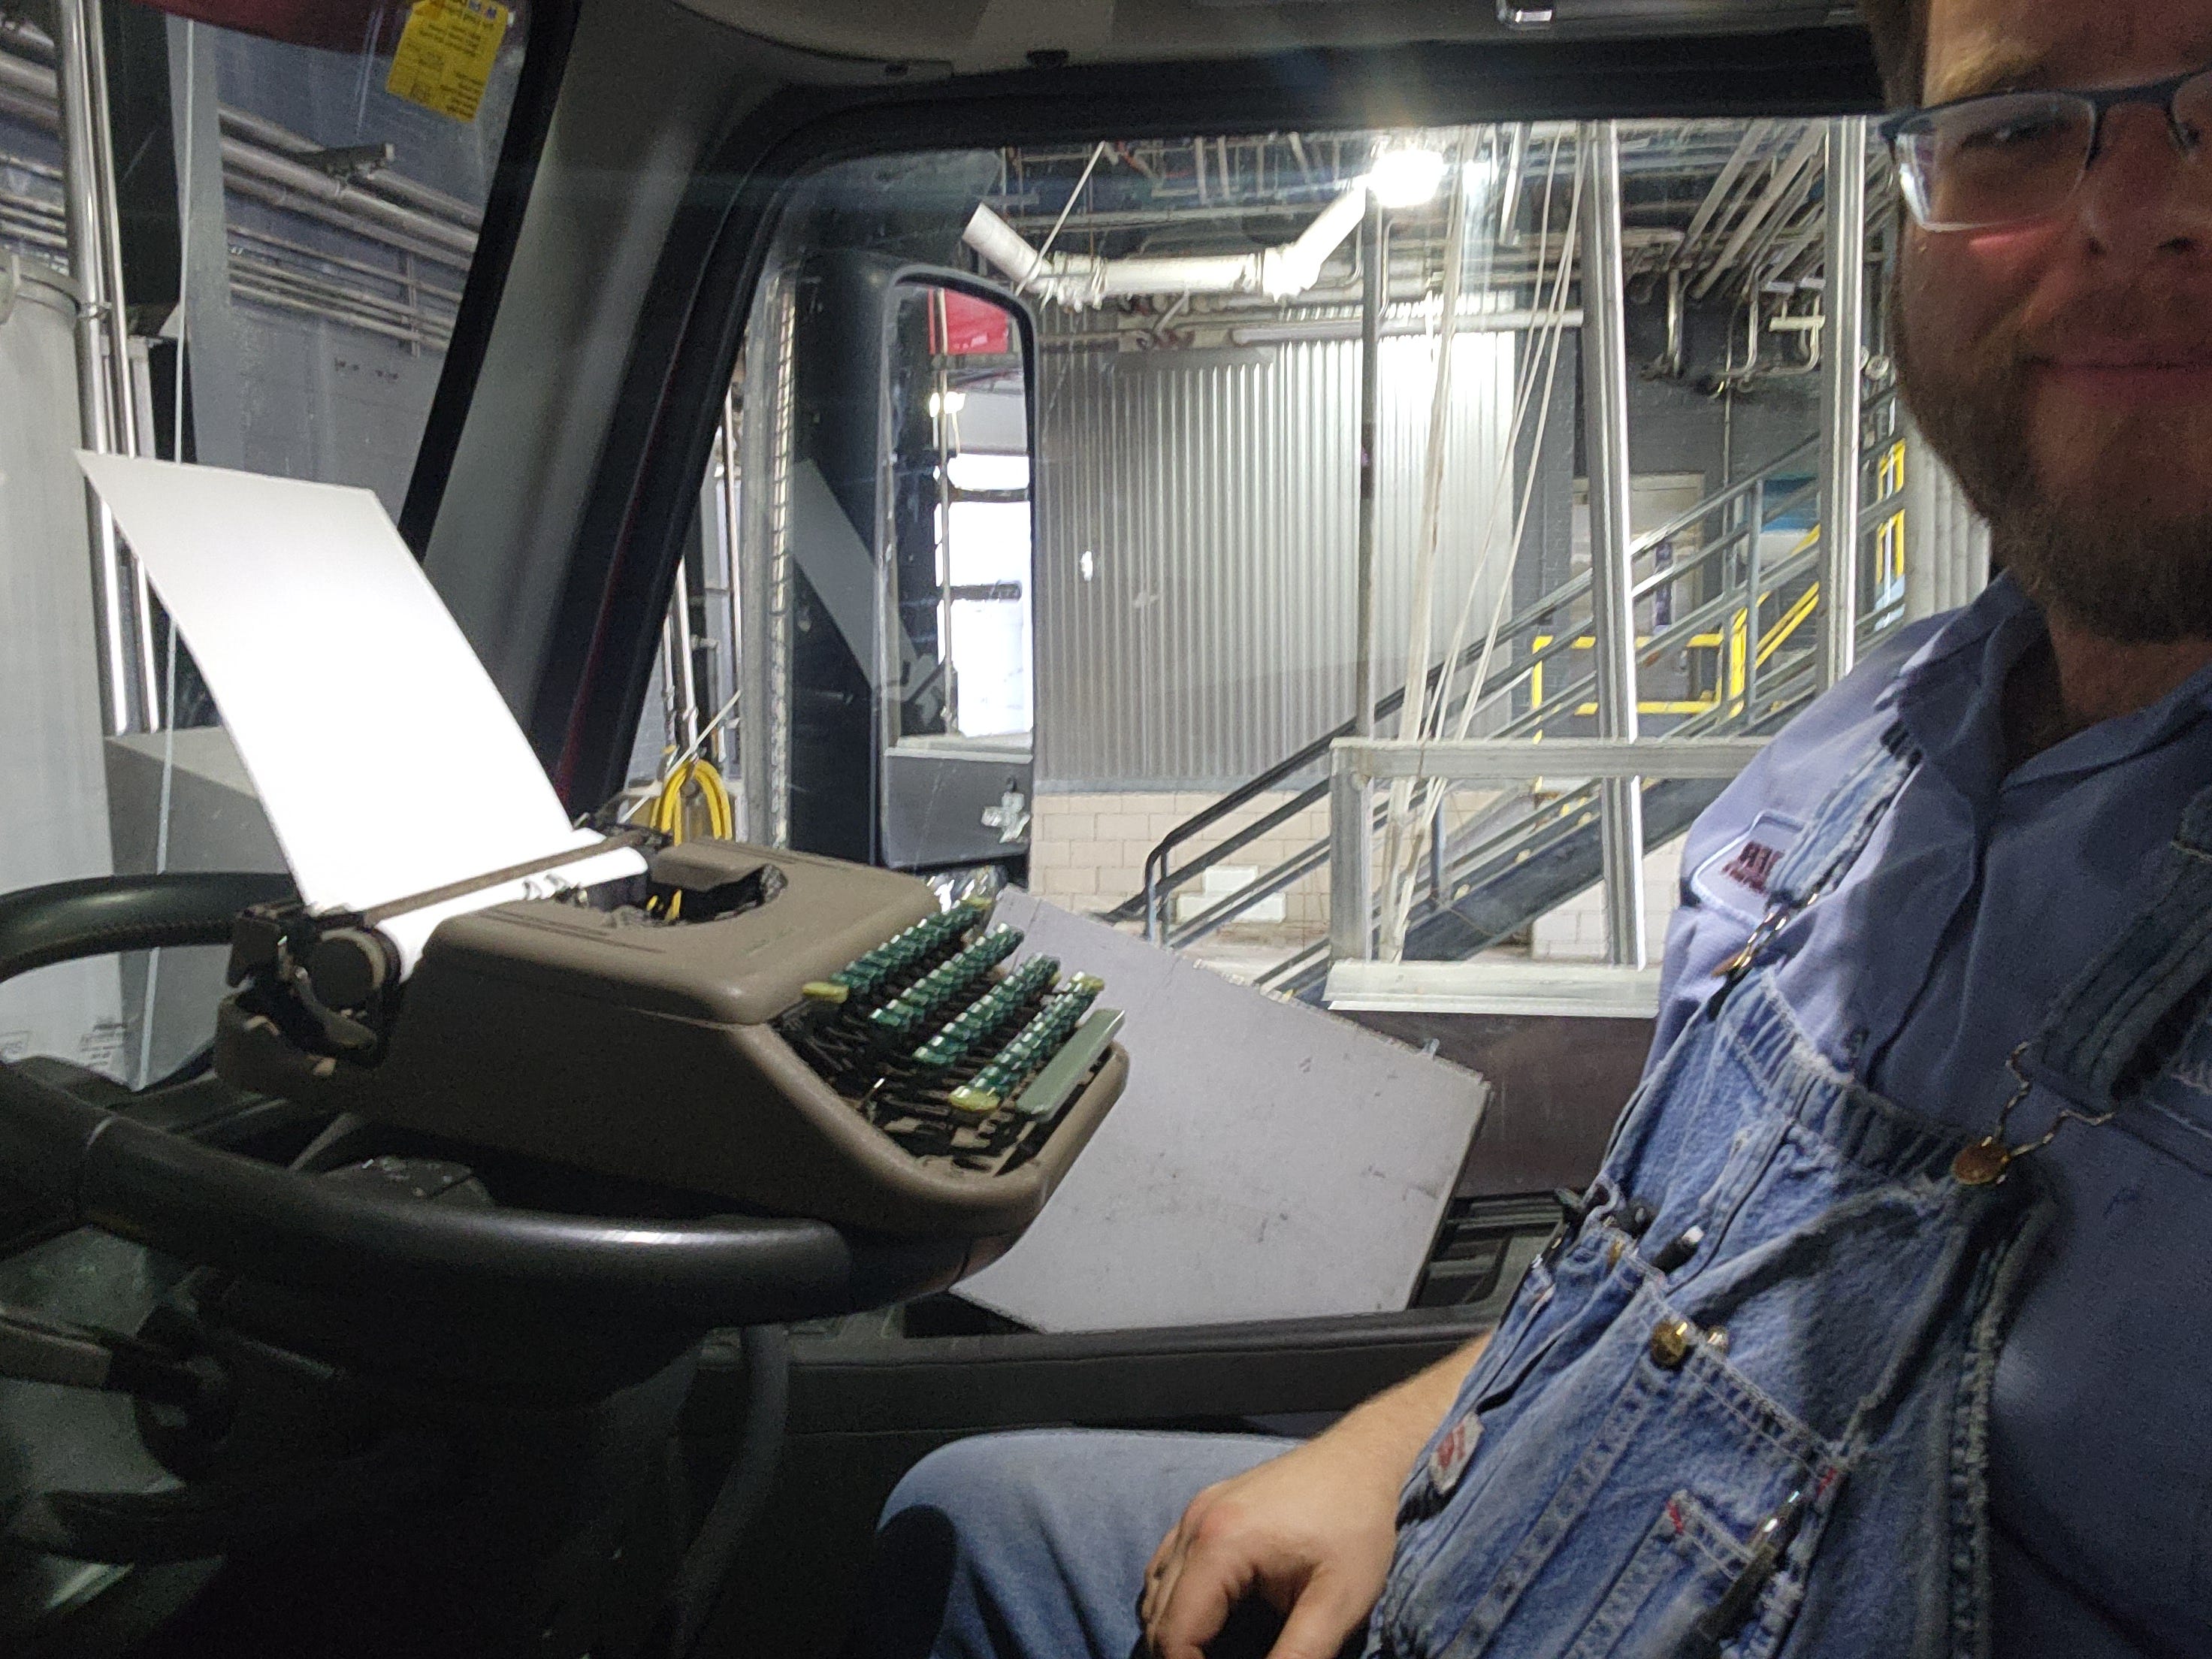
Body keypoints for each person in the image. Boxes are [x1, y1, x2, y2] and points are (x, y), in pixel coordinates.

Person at [852, 0, 2212, 1652]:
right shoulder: (1851, 752)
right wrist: (1393, 1450)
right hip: (1519, 1533)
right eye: (2016, 128)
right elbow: (1663, 1273)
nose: (2131, 206)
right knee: (981, 1524)